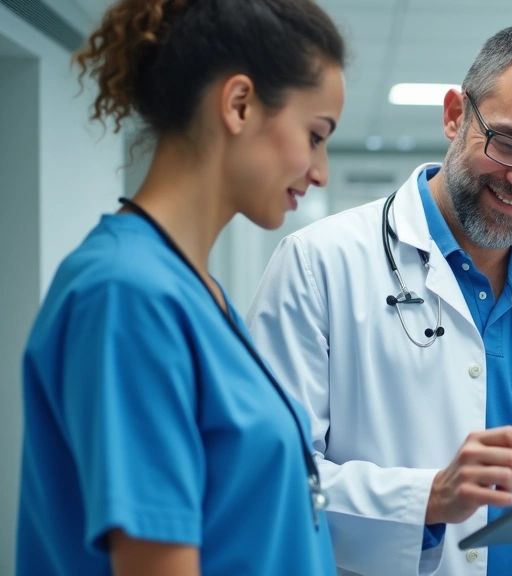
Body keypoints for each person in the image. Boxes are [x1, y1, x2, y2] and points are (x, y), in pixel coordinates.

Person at [246, 23, 512, 576]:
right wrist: (428, 498)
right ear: (456, 114)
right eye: (509, 143)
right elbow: (269, 478)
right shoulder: (318, 264)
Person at [16, 1, 345, 574]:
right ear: (239, 104)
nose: (321, 172)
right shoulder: (127, 296)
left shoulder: (199, 294)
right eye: (315, 136)